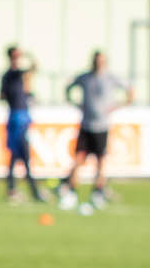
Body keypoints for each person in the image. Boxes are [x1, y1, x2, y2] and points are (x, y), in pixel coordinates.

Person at [55, 50, 134, 212]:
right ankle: (71, 193)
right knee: (78, 159)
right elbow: (68, 88)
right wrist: (75, 103)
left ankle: (97, 193)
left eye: (101, 61)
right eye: (97, 61)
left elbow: (130, 90)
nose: (99, 63)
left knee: (100, 162)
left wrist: (119, 105)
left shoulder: (110, 78)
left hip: (102, 127)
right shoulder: (85, 78)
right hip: (86, 126)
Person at [0, 45, 42, 203]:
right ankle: (32, 191)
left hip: (19, 117)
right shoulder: (14, 74)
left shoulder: (8, 75)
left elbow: (1, 95)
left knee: (16, 155)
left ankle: (14, 189)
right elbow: (35, 66)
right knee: (22, 155)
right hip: (18, 118)